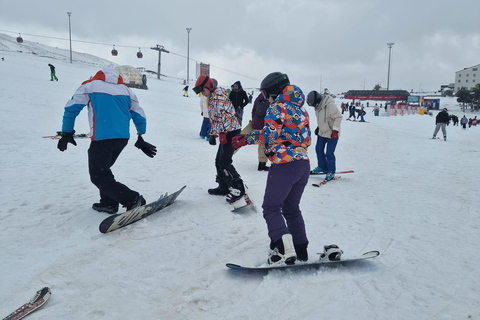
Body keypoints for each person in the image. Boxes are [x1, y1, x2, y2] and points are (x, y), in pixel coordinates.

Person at [232, 72, 341, 266]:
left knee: (271, 208)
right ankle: (300, 249)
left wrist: (246, 138)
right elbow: (304, 138)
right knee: (291, 208)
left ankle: (283, 249)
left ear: (273, 91)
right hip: (302, 165)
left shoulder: (277, 107)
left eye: (266, 94)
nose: (266, 98)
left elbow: (270, 134)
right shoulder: (301, 110)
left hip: (284, 164)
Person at [57, 68, 157, 214]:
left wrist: (67, 132)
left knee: (98, 175)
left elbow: (71, 108)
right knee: (104, 171)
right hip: (122, 139)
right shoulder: (127, 90)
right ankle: (108, 203)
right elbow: (139, 115)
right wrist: (141, 135)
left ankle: (132, 199)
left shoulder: (90, 86)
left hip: (102, 139)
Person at [192, 75, 246, 203]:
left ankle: (239, 187)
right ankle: (224, 186)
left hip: (231, 131)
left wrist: (223, 132)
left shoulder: (219, 97)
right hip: (225, 131)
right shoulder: (212, 97)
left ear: (209, 87)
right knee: (218, 161)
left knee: (225, 162)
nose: (203, 94)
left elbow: (228, 115)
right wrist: (213, 133)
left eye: (203, 91)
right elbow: (216, 118)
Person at [307, 91, 342, 181]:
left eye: (315, 105)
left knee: (329, 153)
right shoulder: (318, 108)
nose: (314, 107)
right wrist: (319, 127)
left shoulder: (330, 106)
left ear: (319, 101)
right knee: (318, 149)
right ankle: (322, 166)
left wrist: (335, 130)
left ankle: (331, 171)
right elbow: (322, 119)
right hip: (322, 133)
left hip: (332, 133)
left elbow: (338, 118)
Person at [238, 93, 271, 171]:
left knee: (241, 138)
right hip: (263, 123)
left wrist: (254, 120)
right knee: (263, 144)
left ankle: (228, 154)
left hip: (256, 122)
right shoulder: (270, 98)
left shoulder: (258, 98)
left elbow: (253, 110)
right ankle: (262, 164)